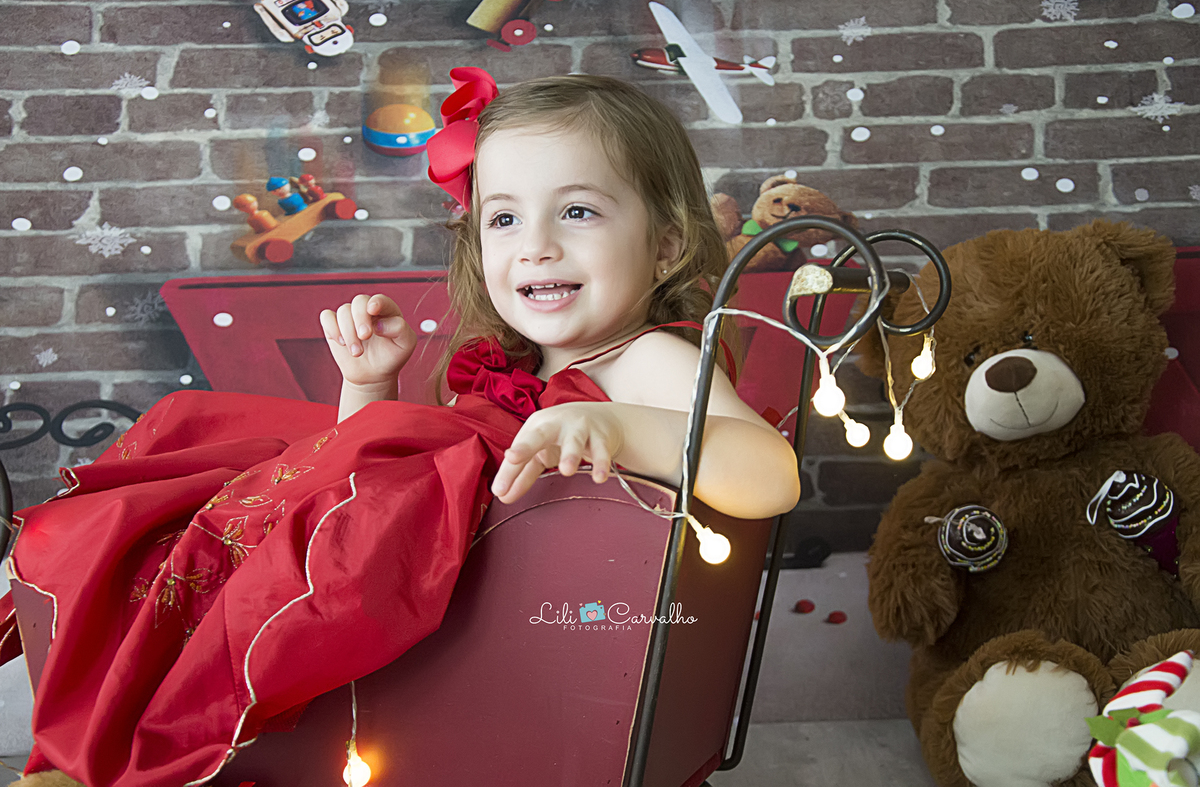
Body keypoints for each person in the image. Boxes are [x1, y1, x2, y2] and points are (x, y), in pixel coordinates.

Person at [3, 69, 800, 787]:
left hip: (542, 659)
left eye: (578, 211)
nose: (536, 246)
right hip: (451, 633)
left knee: (291, 542)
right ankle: (123, 726)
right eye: (504, 219)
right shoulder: (513, 367)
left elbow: (771, 475)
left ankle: (160, 741)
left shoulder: (648, 360)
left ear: (664, 245)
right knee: (195, 454)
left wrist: (619, 427)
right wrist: (370, 386)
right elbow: (372, 481)